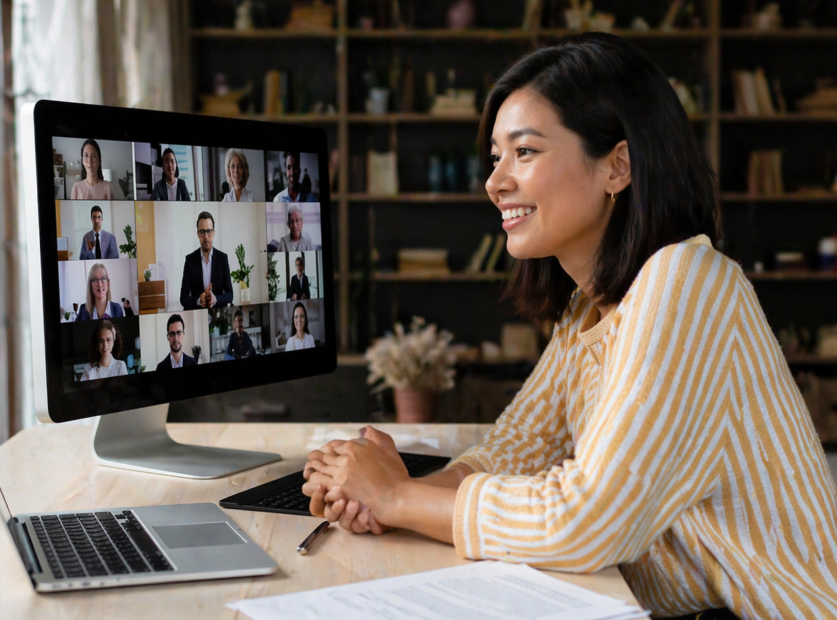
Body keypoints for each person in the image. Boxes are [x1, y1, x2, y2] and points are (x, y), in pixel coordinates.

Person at [301, 34, 837, 620]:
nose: (495, 182)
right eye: (495, 157)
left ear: (617, 165)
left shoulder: (687, 279)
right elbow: (520, 448)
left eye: (524, 152)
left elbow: (590, 521)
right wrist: (390, 494)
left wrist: (398, 497)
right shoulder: (591, 308)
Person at [180, 211, 233, 310]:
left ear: (213, 233)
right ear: (198, 234)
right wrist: (198, 300)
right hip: (197, 312)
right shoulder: (189, 260)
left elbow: (230, 294)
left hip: (218, 314)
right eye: (202, 232)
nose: (206, 237)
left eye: (209, 231)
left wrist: (216, 299)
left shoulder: (223, 259)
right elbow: (183, 298)